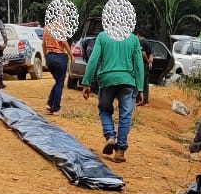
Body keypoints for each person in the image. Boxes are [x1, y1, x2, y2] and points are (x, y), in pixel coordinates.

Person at [81, 27, 144, 163]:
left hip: (106, 80)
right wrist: (140, 88)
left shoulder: (102, 37)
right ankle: (120, 151)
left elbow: (93, 59)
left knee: (104, 109)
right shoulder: (133, 39)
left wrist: (87, 82)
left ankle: (110, 136)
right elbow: (139, 64)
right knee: (125, 115)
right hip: (127, 81)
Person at [41, 20, 71, 115]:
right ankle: (56, 108)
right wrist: (71, 55)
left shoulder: (46, 28)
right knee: (60, 82)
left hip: (49, 57)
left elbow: (43, 44)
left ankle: (50, 103)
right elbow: (64, 42)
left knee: (58, 81)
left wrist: (46, 57)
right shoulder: (60, 27)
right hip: (60, 57)